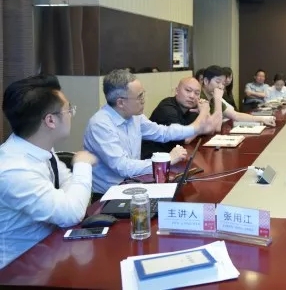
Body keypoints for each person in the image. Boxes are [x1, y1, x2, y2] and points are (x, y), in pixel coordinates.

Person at [0, 75, 97, 268]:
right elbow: (71, 213)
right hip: (18, 271)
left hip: (51, 253)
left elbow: (69, 186)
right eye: (68, 109)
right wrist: (82, 164)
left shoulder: (40, 147)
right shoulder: (13, 170)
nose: (71, 115)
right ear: (51, 120)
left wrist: (71, 200)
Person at [84, 69, 221, 196]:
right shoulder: (100, 125)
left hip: (134, 185)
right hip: (108, 195)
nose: (143, 100)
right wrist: (166, 160)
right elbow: (123, 167)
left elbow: (163, 132)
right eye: (139, 96)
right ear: (120, 103)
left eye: (143, 94)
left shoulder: (135, 117)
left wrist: (194, 129)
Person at [141, 77, 210, 159]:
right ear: (177, 91)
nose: (192, 96)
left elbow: (211, 128)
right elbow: (185, 138)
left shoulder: (192, 108)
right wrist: (203, 113)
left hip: (176, 156)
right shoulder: (167, 108)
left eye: (197, 93)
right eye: (188, 90)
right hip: (154, 160)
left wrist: (205, 112)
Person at [201, 65, 276, 127]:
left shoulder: (213, 98)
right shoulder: (199, 97)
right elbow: (216, 127)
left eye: (223, 83)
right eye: (217, 82)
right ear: (206, 81)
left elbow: (235, 115)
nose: (221, 87)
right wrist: (218, 99)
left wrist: (262, 119)